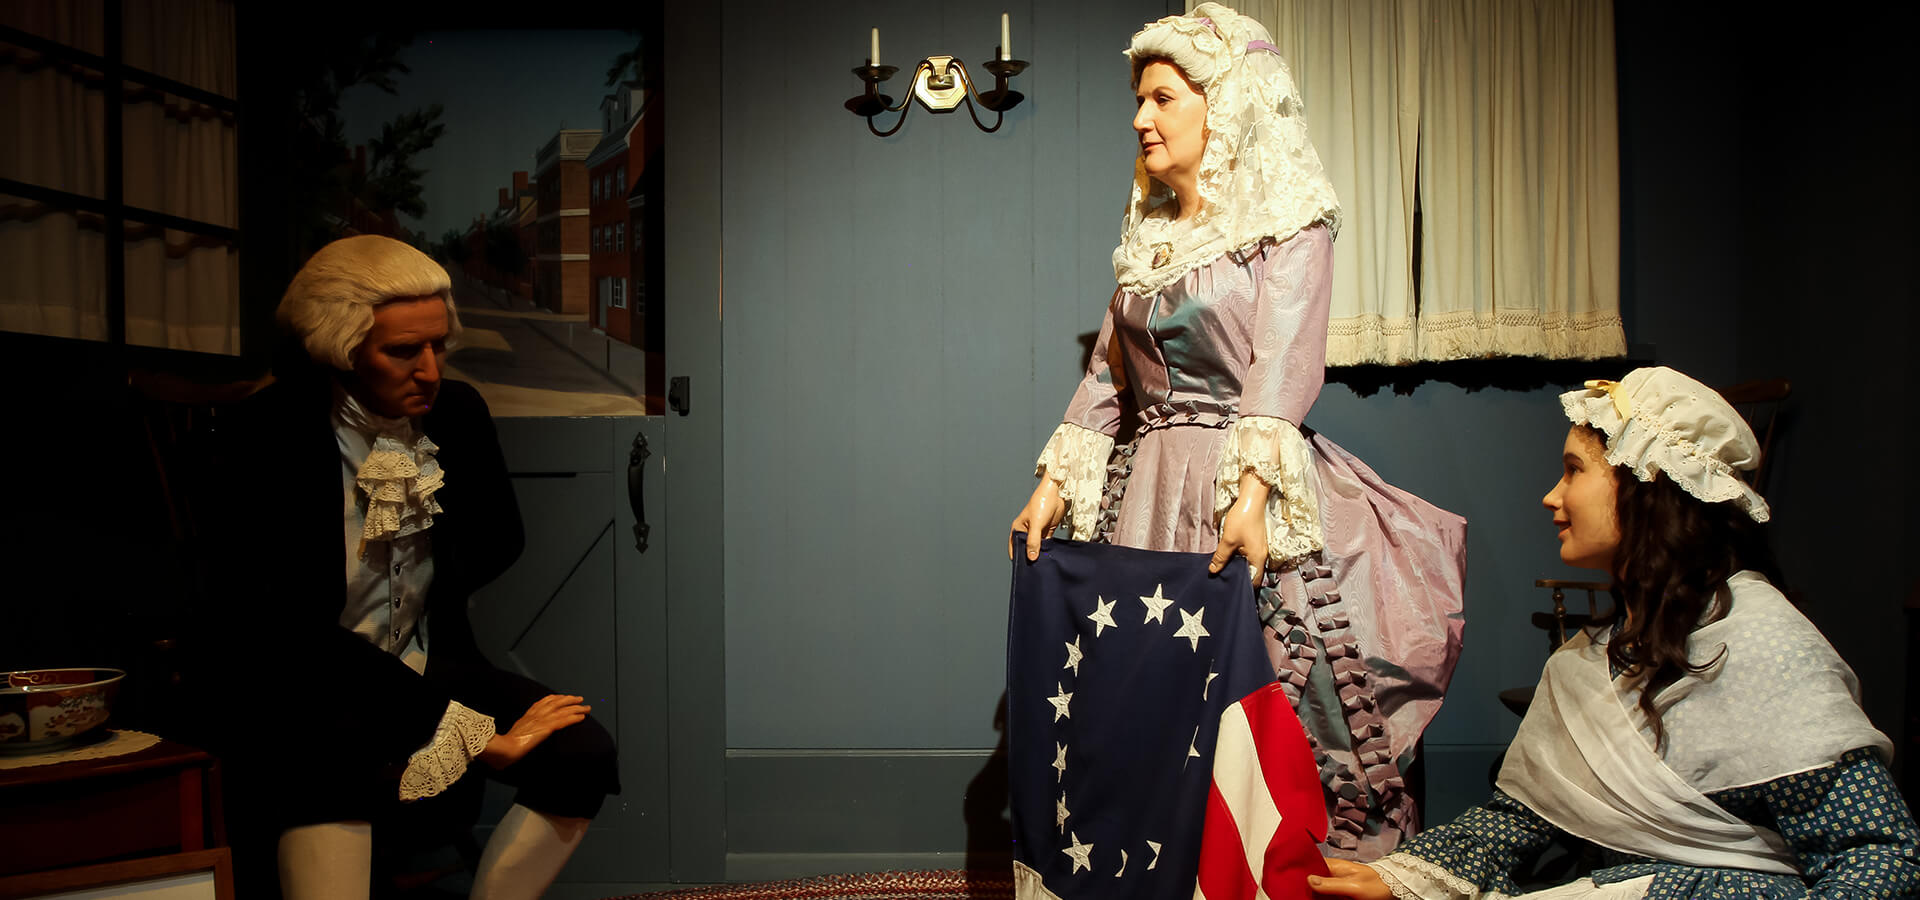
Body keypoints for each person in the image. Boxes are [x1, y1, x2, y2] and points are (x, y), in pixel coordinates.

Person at [1008, 3, 1467, 857]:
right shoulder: (1149, 241)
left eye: (1163, 98)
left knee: (1263, 694)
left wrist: (1252, 492)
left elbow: (1284, 361)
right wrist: (1052, 485)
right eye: (1139, 101)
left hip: (1238, 480)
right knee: (1143, 697)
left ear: (1225, 103)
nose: (1141, 118)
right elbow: (1111, 376)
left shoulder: (1286, 224)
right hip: (1144, 489)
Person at [1309, 366, 1920, 898]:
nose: (1551, 496)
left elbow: (1875, 855)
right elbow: (1521, 822)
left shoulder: (1765, 643)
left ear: (1646, 481)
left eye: (1574, 471)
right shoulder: (1588, 660)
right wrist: (1408, 874)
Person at [190, 235, 619, 899]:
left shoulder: (457, 413)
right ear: (340, 346)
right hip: (302, 681)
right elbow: (283, 629)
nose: (430, 369)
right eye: (402, 351)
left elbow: (501, 537)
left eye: (438, 345)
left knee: (581, 751)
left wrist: (424, 549)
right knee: (328, 757)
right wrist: (474, 735)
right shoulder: (269, 431)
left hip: (415, 658)